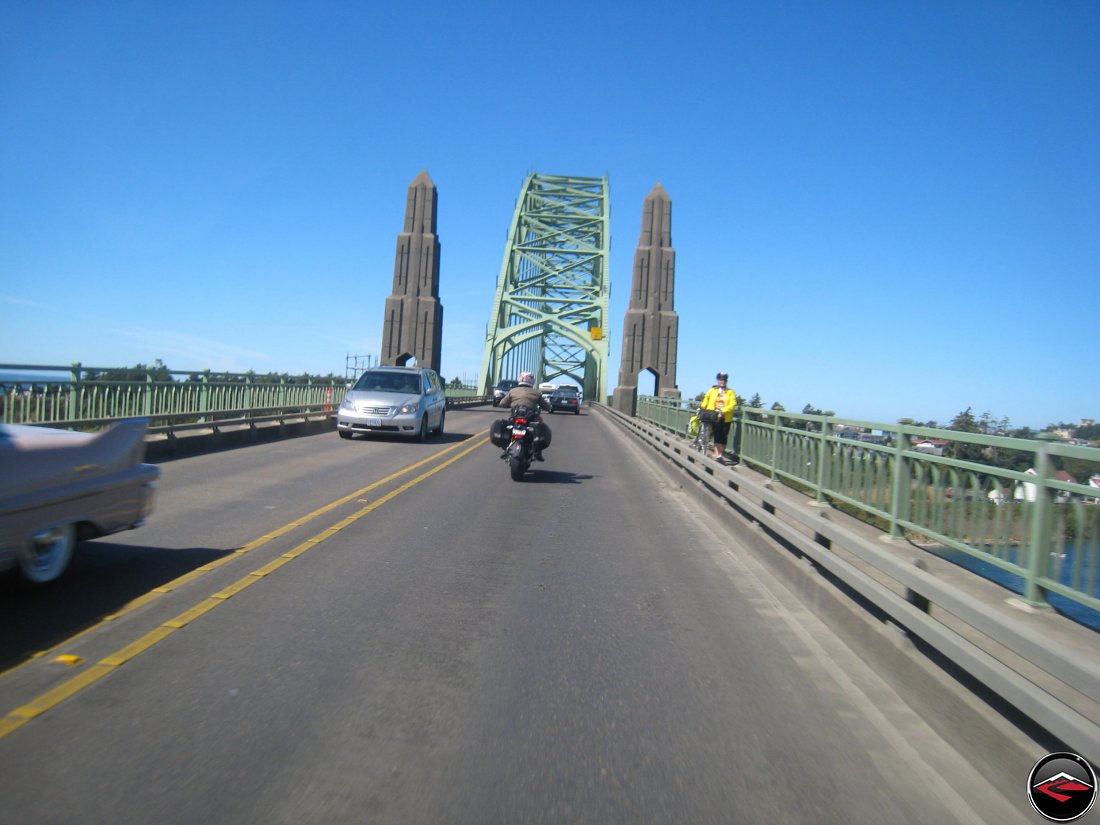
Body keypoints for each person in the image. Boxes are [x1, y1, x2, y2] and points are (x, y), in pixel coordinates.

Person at [497, 371, 552, 461]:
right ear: (532, 381)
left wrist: (508, 404)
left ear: (519, 380)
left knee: (508, 428)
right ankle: (538, 452)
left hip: (515, 416)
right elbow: (546, 406)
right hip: (531, 417)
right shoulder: (537, 393)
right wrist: (549, 407)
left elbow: (502, 403)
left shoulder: (512, 391)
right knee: (539, 429)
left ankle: (505, 449)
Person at [699, 371, 737, 461]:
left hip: (726, 417)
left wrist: (722, 410)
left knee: (724, 436)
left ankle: (719, 453)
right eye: (720, 380)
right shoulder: (712, 390)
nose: (722, 381)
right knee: (717, 434)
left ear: (726, 381)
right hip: (714, 415)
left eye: (724, 380)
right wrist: (702, 407)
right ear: (717, 380)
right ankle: (718, 454)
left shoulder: (730, 392)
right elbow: (706, 399)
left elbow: (733, 404)